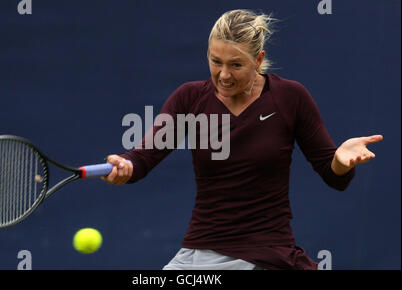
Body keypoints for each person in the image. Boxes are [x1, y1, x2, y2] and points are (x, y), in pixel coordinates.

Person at [100, 9, 383, 270]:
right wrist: (125, 166)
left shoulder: (291, 97)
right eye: (215, 61)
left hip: (271, 254)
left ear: (258, 60)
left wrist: (340, 161)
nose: (223, 75)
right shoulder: (190, 99)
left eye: (236, 64)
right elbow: (143, 157)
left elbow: (333, 176)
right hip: (203, 253)